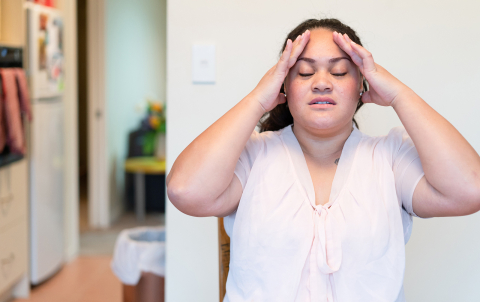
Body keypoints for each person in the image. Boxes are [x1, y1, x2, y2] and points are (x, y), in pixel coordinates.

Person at [166, 18, 480, 301]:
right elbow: (185, 190)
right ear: (283, 86)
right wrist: (256, 100)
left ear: (362, 86)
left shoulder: (391, 157)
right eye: (303, 72)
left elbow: (470, 189)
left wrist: (399, 94)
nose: (321, 81)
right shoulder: (252, 155)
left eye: (340, 71)